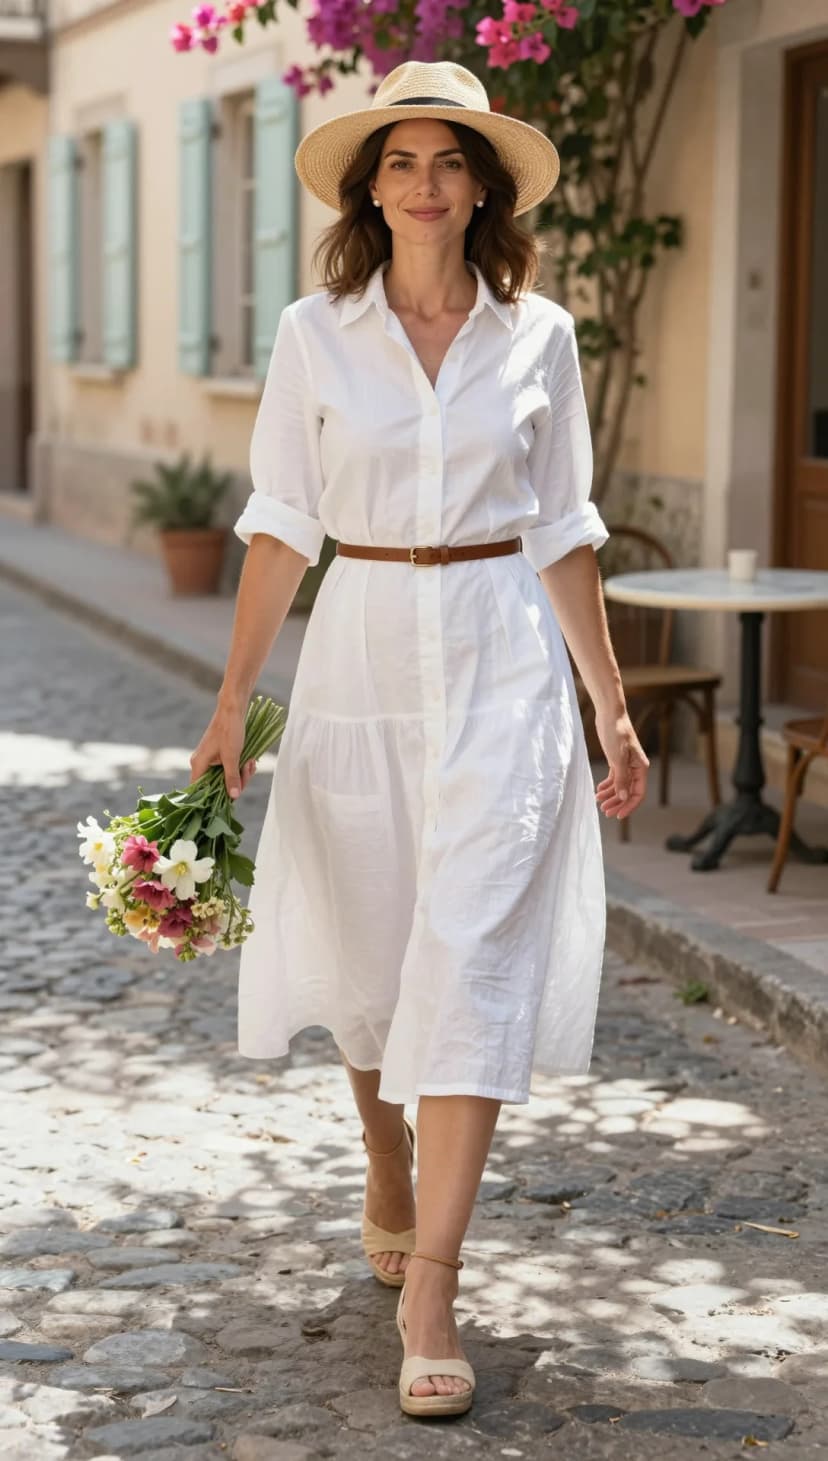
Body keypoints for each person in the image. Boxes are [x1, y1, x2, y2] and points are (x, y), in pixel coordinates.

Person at [189, 59, 648, 1419]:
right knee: (381, 933)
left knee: (474, 949)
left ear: (485, 186)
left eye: (451, 161)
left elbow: (564, 529)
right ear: (370, 187)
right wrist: (230, 707)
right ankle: (382, 1149)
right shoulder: (312, 332)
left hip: (503, 655)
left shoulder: (541, 336)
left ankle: (436, 1277)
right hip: (365, 647)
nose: (426, 183)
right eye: (402, 161)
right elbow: (282, 520)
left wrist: (609, 704)